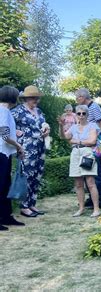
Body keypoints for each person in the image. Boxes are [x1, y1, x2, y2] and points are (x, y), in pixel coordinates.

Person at [11, 85, 49, 218]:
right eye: (33, 98)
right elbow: (5, 125)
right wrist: (15, 132)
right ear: (26, 98)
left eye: (37, 98)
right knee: (26, 175)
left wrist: (46, 129)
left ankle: (32, 203)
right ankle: (24, 206)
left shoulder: (39, 111)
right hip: (26, 148)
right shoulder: (18, 111)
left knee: (37, 175)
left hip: (40, 146)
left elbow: (44, 124)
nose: (36, 101)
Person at [59, 105, 101, 217]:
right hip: (75, 154)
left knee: (91, 182)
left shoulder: (92, 126)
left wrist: (76, 141)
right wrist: (61, 126)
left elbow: (92, 141)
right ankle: (81, 208)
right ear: (75, 114)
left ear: (87, 115)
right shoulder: (73, 127)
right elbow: (64, 137)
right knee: (78, 183)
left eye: (83, 113)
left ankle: (96, 209)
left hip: (87, 153)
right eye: (79, 113)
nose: (81, 115)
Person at [75, 88, 101, 208]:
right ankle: (92, 199)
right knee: (87, 171)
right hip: (86, 145)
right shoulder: (85, 109)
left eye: (77, 97)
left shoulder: (94, 107)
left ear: (82, 97)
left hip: (95, 146)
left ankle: (99, 200)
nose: (76, 100)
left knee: (96, 172)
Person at [0, 86, 25, 230]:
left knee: (5, 186)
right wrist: (18, 146)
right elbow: (3, 135)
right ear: (12, 97)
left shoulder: (5, 111)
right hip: (1, 153)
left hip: (5, 153)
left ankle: (6, 216)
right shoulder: (3, 110)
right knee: (1, 186)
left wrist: (15, 134)